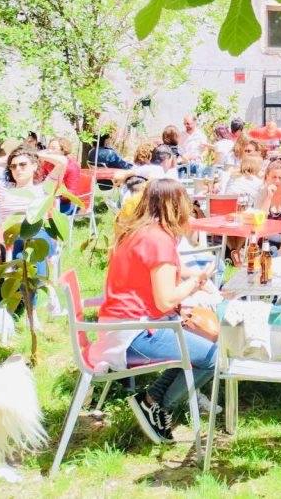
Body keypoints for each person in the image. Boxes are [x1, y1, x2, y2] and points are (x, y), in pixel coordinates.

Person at [88, 179, 217, 444]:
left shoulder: (136, 232)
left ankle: (152, 400)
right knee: (215, 356)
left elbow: (150, 280)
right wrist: (196, 282)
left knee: (203, 342)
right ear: (174, 205)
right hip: (133, 334)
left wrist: (188, 278)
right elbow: (165, 300)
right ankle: (158, 405)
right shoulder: (160, 240)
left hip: (119, 326)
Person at [0, 145, 67, 281]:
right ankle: (27, 289)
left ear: (34, 166)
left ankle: (34, 287)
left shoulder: (44, 188)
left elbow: (63, 162)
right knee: (18, 250)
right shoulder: (1, 189)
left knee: (32, 243)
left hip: (35, 238)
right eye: (13, 166)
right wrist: (2, 160)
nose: (17, 169)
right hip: (11, 240)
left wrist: (34, 154)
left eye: (23, 165)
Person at [47, 137, 84, 212]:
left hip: (65, 203)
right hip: (47, 199)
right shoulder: (47, 163)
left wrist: (55, 194)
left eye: (53, 148)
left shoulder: (72, 167)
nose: (49, 151)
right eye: (49, 148)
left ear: (63, 151)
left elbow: (71, 193)